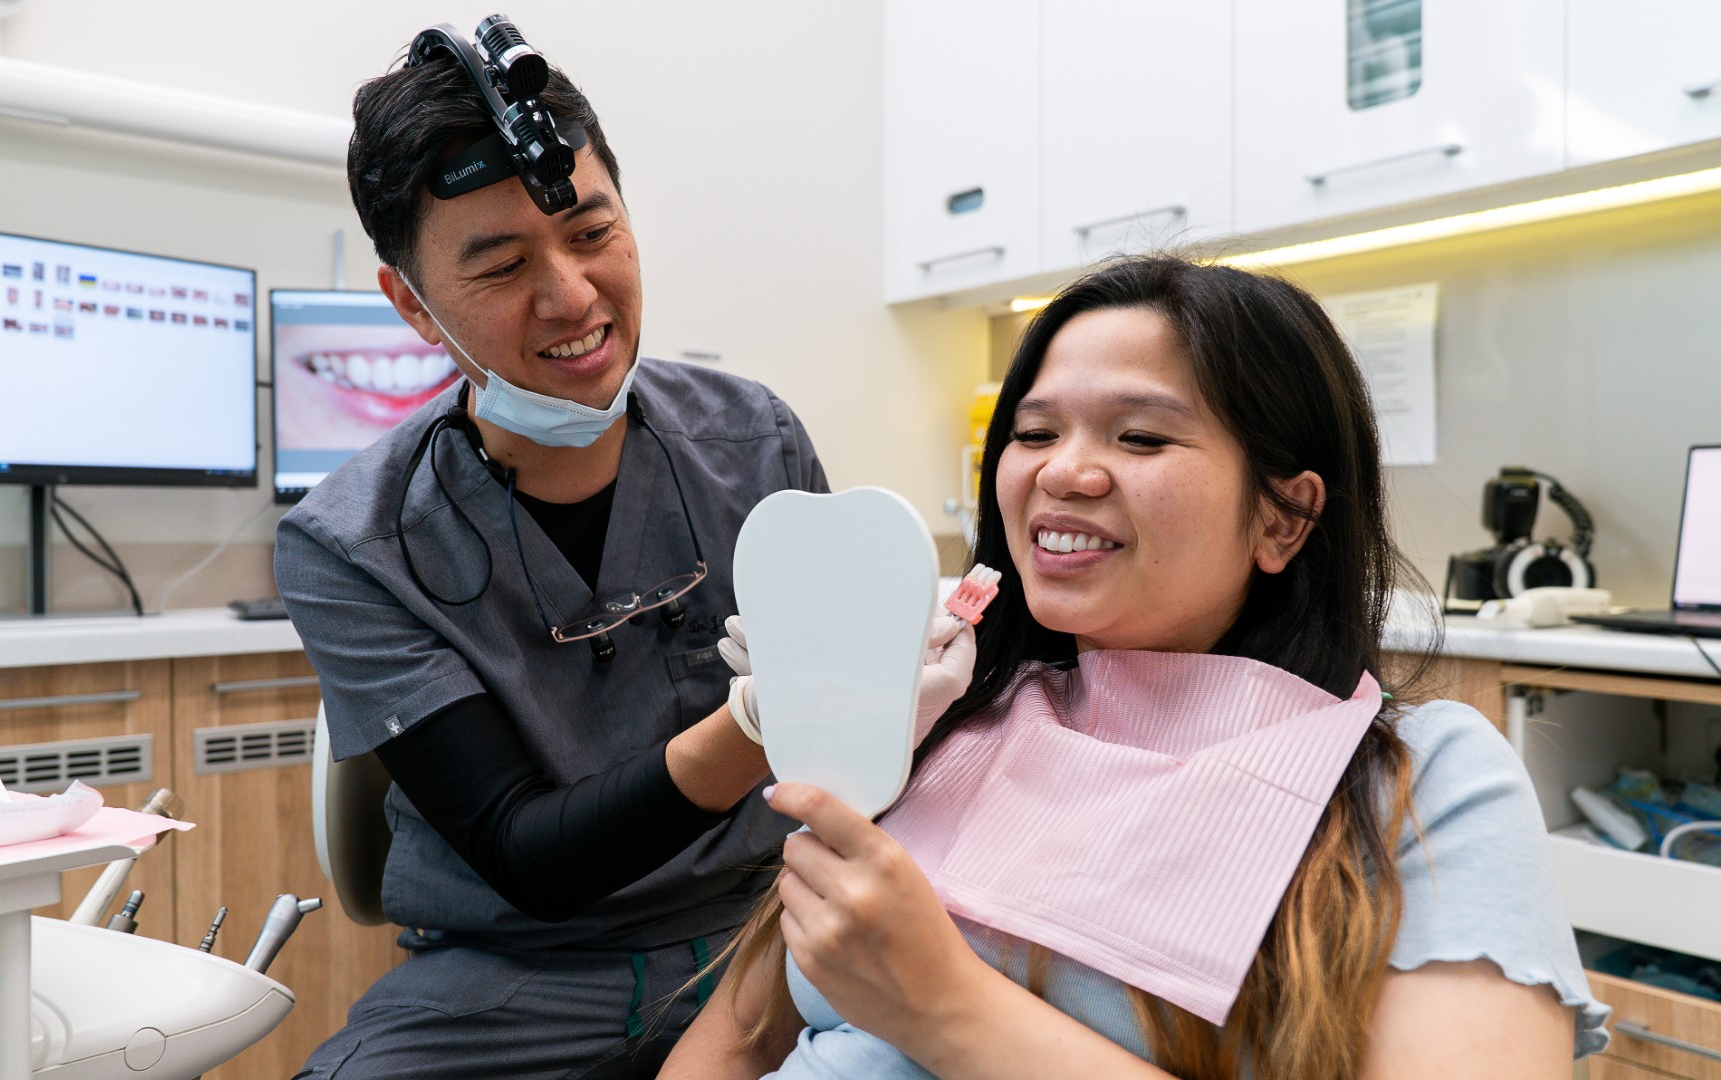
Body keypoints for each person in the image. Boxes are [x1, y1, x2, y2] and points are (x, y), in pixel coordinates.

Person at [661, 255, 1610, 1080]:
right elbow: (742, 1036)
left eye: (1142, 436)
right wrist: (836, 736)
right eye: (1035, 433)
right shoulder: (947, 724)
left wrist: (945, 1007)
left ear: (1284, 517)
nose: (1061, 473)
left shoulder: (1418, 785)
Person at [274, 29, 841, 1079]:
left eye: (592, 232)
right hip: (514, 974)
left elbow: (852, 775)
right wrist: (766, 719)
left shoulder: (755, 443)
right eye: (502, 265)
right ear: (412, 304)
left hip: (768, 926)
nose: (574, 295)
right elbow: (528, 854)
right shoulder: (353, 544)